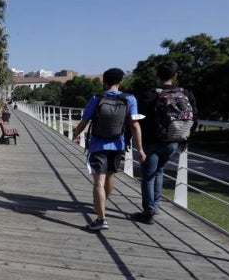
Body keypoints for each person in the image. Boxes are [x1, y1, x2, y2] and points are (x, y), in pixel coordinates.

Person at [73, 68, 145, 230]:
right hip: (118, 145)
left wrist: (76, 134)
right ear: (120, 82)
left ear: (104, 81)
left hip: (98, 145)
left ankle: (101, 219)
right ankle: (103, 202)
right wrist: (140, 149)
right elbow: (135, 125)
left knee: (99, 181)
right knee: (110, 176)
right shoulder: (130, 99)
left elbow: (84, 121)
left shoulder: (96, 99)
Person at [131, 61, 197, 224]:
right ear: (175, 75)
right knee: (159, 171)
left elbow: (138, 119)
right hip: (173, 141)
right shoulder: (186, 93)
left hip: (151, 141)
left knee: (148, 176)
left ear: (156, 76)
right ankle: (155, 206)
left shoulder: (149, 95)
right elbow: (194, 116)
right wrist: (186, 137)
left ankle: (148, 212)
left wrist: (132, 137)